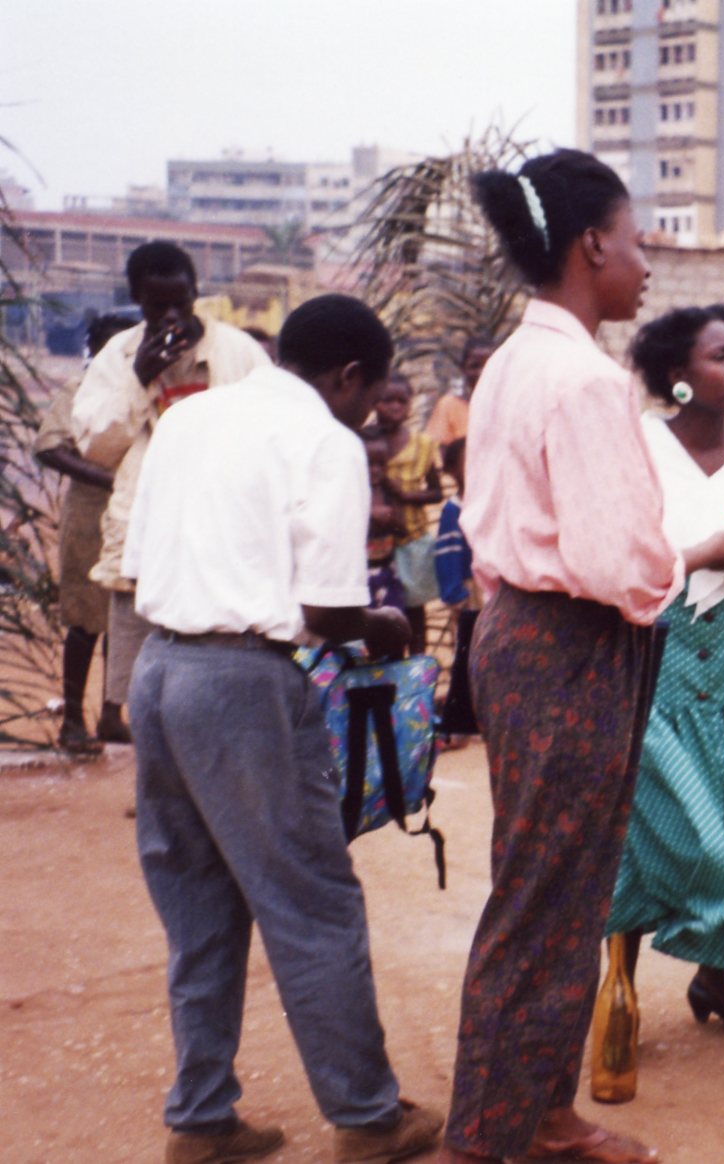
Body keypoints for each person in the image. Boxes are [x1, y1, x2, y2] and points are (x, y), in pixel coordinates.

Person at [440, 148, 724, 1164]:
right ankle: (480, 1138)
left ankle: (543, 1114)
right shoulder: (582, 380)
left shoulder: (515, 362)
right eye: (635, 239)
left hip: (527, 637)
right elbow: (619, 561)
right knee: (542, 898)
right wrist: (698, 552)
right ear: (590, 245)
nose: (646, 262)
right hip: (571, 647)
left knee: (567, 889)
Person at [124, 294, 442, 1164]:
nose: (368, 413)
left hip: (159, 669)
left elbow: (141, 563)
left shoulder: (189, 418)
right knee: (313, 903)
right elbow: (330, 612)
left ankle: (202, 1119)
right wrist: (382, 625)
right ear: (349, 376)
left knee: (199, 906)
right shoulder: (324, 441)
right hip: (244, 683)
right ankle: (369, 1118)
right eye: (370, 395)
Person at [600, 303, 724, 1062]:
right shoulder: (642, 445)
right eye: (722, 357)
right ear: (678, 376)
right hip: (658, 648)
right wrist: (705, 551)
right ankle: (617, 987)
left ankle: (714, 981)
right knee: (645, 816)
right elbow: (620, 550)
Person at [72, 241, 270, 743]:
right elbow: (95, 446)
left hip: (223, 533)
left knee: (220, 668)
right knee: (145, 681)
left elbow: (269, 433)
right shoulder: (118, 358)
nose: (171, 316)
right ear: (137, 300)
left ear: (196, 292)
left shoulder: (239, 352)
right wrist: (138, 380)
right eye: (157, 306)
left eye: (180, 302)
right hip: (148, 537)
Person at [34, 313, 134, 753]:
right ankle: (72, 720)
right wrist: (108, 479)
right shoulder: (79, 390)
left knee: (123, 616)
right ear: (95, 351)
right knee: (84, 618)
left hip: (131, 515)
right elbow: (49, 447)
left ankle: (112, 714)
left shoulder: (141, 392)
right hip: (90, 515)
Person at [374, 373, 445, 650]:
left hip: (412, 541)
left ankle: (418, 667)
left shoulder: (422, 444)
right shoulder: (366, 442)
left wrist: (405, 495)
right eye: (387, 400)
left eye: (401, 401)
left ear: (410, 404)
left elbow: (436, 492)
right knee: (381, 611)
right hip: (376, 545)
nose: (395, 407)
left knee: (415, 611)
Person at [433, 438, 478, 746]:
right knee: (466, 654)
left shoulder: (487, 501)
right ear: (451, 470)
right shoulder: (453, 510)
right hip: (468, 591)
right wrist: (454, 591)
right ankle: (463, 723)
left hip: (491, 591)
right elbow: (448, 555)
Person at [428, 335, 495, 457]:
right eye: (474, 366)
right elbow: (437, 455)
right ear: (463, 369)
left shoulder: (509, 407)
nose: (481, 372)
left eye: (488, 366)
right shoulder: (449, 406)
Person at [363, 429, 406, 612]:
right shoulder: (355, 492)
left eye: (381, 464)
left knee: (391, 617)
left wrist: (391, 518)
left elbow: (402, 529)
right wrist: (370, 515)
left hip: (387, 569)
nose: (376, 470)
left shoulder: (389, 491)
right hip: (361, 572)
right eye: (369, 464)